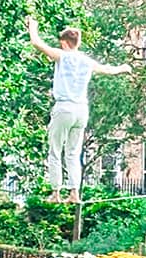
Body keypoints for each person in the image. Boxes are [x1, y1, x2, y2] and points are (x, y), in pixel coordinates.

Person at [26, 17, 132, 203]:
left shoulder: (62, 55)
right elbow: (107, 69)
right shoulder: (86, 61)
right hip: (81, 110)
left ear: (64, 42)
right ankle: (74, 192)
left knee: (55, 150)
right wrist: (123, 68)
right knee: (73, 153)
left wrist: (33, 26)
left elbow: (36, 43)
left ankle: (56, 193)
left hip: (64, 107)